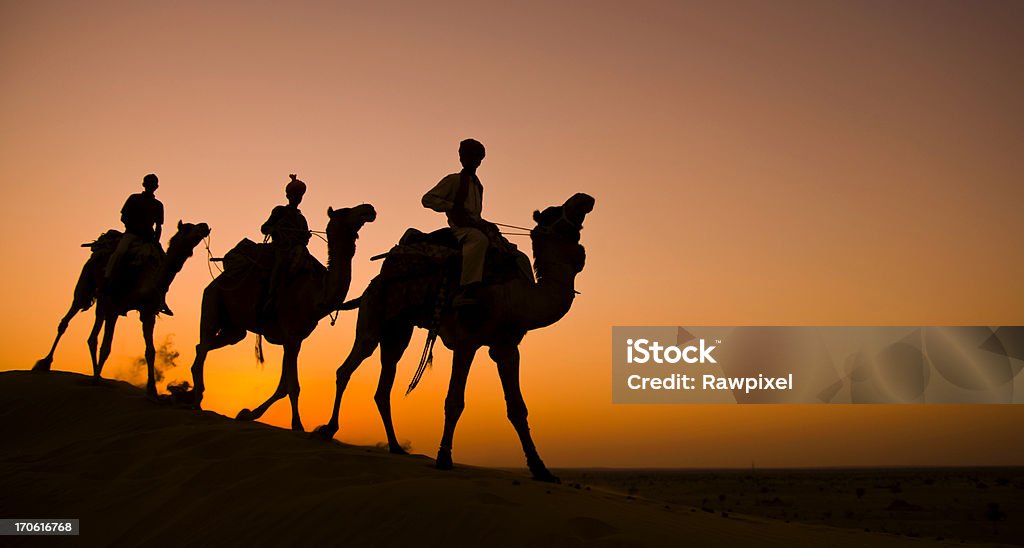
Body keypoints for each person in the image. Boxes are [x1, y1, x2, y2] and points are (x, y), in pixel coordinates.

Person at [422, 138, 496, 306]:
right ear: (462, 158)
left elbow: (475, 213)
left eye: (478, 158)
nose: (475, 161)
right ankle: (467, 289)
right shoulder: (454, 180)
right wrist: (453, 206)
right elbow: (428, 199)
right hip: (460, 227)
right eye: (471, 157)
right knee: (478, 240)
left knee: (503, 245)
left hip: (474, 224)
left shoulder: (478, 186)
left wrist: (484, 223)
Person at [104, 173, 172, 315]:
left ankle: (161, 298)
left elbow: (159, 226)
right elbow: (124, 217)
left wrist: (155, 241)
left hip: (149, 239)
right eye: (149, 183)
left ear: (156, 187)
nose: (151, 186)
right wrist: (134, 227)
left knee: (165, 265)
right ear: (144, 184)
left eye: (153, 184)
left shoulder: (158, 205)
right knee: (120, 253)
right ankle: (107, 281)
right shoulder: (134, 199)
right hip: (132, 235)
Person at [261, 174, 310, 313]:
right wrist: (275, 229)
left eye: (299, 196)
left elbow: (305, 239)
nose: (297, 198)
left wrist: (305, 237)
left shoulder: (302, 219)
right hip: (280, 249)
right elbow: (264, 228)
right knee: (280, 266)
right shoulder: (279, 211)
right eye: (295, 195)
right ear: (289, 196)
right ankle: (270, 298)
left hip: (298, 251)